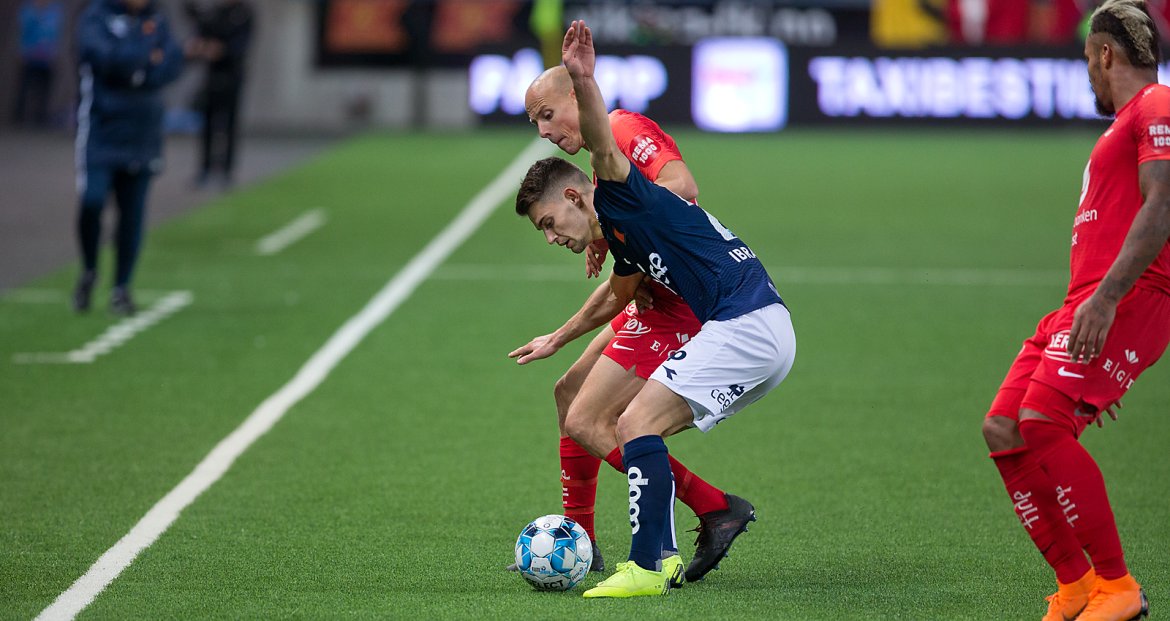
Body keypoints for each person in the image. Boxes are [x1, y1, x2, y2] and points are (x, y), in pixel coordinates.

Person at [514, 20, 795, 598]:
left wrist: (586, 78)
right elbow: (616, 296)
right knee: (585, 403)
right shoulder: (616, 216)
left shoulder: (619, 172)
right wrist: (615, 244)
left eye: (548, 114)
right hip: (745, 321)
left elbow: (624, 154)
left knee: (619, 422)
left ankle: (655, 558)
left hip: (735, 321)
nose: (544, 130)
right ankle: (666, 546)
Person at [981, 1, 1169, 619]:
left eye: (1087, 58)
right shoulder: (1125, 124)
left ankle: (1118, 588)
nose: (1087, 72)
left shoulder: (1156, 108)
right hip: (1081, 306)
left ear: (1104, 53)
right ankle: (1078, 585)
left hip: (1128, 300)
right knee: (1004, 427)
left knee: (1042, 423)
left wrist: (1108, 300)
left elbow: (1163, 203)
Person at [72, 0, 184, 315]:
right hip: (101, 130)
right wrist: (145, 57)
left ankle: (122, 287)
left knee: (132, 213)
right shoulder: (96, 17)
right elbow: (102, 58)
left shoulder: (157, 19)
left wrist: (138, 62)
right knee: (92, 200)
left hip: (143, 133)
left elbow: (172, 63)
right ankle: (89, 268)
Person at [184, 0, 253, 188]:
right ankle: (205, 169)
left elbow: (240, 46)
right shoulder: (215, 12)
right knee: (207, 125)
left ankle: (227, 170)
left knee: (229, 125)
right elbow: (201, 33)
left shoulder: (244, 14)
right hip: (212, 77)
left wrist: (220, 49)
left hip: (233, 78)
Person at [13, 0, 64, 127]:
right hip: (30, 55)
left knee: (44, 89)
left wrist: (55, 52)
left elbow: (56, 32)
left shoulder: (56, 9)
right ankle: (19, 117)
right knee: (25, 88)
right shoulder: (28, 9)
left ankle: (39, 118)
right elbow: (23, 30)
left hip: (47, 58)